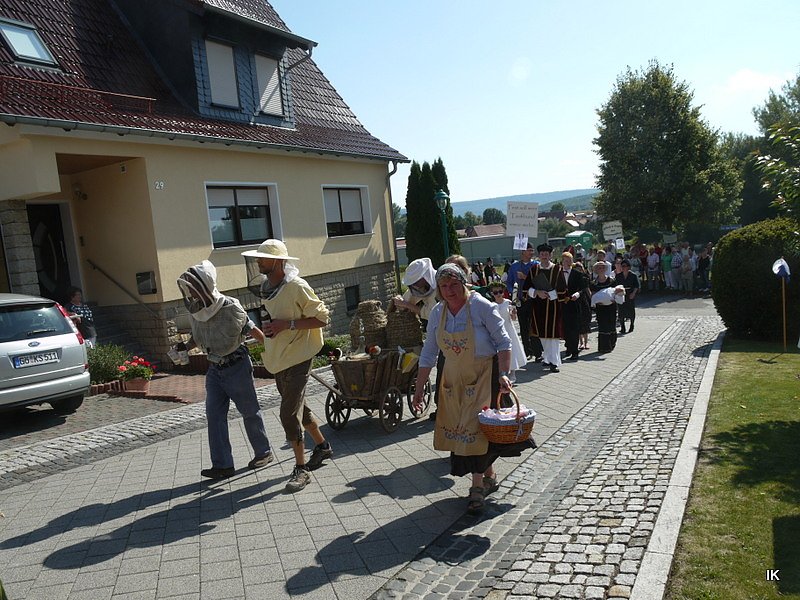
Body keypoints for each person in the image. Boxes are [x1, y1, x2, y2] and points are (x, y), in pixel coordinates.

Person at [412, 264, 533, 515]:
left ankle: (476, 487)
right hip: (452, 381)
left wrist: (503, 374)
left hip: (484, 377)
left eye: (454, 284)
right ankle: (488, 476)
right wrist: (419, 387)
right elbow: (429, 352)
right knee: (464, 433)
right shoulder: (437, 312)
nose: (449, 291)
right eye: (444, 286)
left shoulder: (482, 307)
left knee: (475, 430)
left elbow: (503, 342)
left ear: (465, 282)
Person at [241, 239, 332, 492]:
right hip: (280, 356)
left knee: (287, 413)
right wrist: (272, 328)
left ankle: (301, 469)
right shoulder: (268, 287)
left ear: (278, 261)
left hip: (300, 355)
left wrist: (287, 325)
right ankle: (323, 447)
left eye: (262, 258)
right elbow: (280, 318)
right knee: (299, 411)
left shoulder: (296, 286)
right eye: (257, 258)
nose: (258, 261)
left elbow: (323, 318)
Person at [177, 260, 273, 480]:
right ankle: (223, 465)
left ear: (204, 284)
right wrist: (184, 346)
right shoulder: (197, 310)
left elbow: (251, 328)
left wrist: (273, 351)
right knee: (214, 414)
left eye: (193, 285)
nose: (190, 290)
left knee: (249, 411)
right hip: (214, 369)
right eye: (189, 285)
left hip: (236, 365)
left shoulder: (230, 305)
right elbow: (198, 338)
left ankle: (264, 453)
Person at [522, 243, 566, 373]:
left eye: (547, 254)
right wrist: (537, 293)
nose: (544, 256)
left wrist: (549, 294)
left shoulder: (557, 269)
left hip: (553, 306)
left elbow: (563, 289)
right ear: (539, 255)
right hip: (538, 306)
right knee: (542, 335)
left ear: (551, 255)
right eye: (542, 254)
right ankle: (547, 358)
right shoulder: (534, 269)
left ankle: (554, 362)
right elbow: (526, 288)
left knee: (553, 335)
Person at [506, 243, 541, 361]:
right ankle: (527, 351)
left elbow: (538, 282)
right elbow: (509, 283)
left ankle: (538, 352)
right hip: (521, 300)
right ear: (522, 252)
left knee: (534, 325)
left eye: (532, 250)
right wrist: (514, 293)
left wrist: (525, 277)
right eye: (529, 250)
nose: (532, 252)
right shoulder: (514, 266)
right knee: (523, 327)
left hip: (533, 300)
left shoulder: (536, 265)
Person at [488, 281, 526, 381]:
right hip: (497, 330)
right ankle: (502, 371)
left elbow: (513, 318)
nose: (498, 294)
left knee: (511, 349)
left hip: (508, 328)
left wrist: (513, 313)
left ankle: (513, 372)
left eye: (500, 292)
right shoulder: (491, 305)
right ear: (492, 294)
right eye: (495, 292)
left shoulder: (508, 303)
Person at [590, 261, 624, 353]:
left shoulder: (612, 281)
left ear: (605, 269)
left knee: (611, 325)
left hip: (611, 306)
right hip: (601, 308)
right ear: (596, 270)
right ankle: (604, 347)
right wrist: (597, 301)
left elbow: (616, 292)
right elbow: (592, 295)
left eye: (602, 267)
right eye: (599, 268)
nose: (601, 269)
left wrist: (615, 298)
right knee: (602, 326)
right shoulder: (594, 283)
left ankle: (612, 343)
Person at [560, 252, 589, 360]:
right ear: (562, 262)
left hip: (575, 304)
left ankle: (575, 351)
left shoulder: (577, 274)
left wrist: (578, 294)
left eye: (569, 261)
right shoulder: (558, 274)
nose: (567, 263)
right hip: (563, 304)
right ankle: (568, 348)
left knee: (575, 328)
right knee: (566, 327)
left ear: (572, 262)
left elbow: (583, 288)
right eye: (565, 261)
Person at [393, 257, 438, 324]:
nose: (414, 286)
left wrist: (406, 304)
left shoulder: (441, 287)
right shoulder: (419, 286)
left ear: (425, 276)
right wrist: (399, 301)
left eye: (416, 282)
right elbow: (406, 300)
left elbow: (431, 314)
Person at [615, 259, 640, 333]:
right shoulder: (618, 276)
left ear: (628, 267)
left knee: (631, 311)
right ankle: (623, 327)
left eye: (625, 266)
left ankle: (632, 325)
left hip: (630, 294)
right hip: (621, 295)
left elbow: (636, 286)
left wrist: (633, 293)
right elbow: (615, 286)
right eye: (622, 266)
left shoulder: (633, 275)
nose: (623, 267)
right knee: (621, 311)